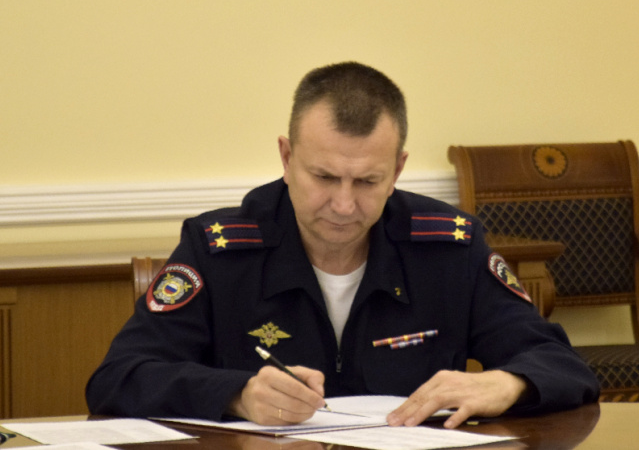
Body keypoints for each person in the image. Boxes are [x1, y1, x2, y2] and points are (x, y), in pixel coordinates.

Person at [86, 62, 599, 428]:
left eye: (368, 181)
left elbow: (560, 363)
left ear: (397, 169)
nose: (344, 204)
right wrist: (237, 395)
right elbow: (118, 378)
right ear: (287, 158)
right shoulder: (220, 250)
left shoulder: (448, 248)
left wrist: (507, 384)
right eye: (325, 177)